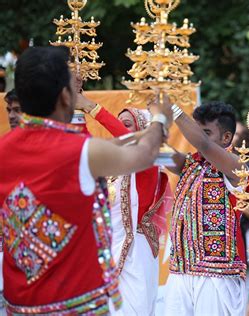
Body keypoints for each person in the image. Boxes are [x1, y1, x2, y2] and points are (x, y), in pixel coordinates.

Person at [0, 46, 171, 314]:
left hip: (19, 305)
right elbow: (146, 153)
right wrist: (161, 117)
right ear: (66, 97)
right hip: (76, 305)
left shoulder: (4, 150)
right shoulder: (81, 152)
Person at [77, 101, 172, 315]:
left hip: (135, 254)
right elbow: (82, 145)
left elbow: (135, 144)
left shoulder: (148, 164)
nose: (121, 132)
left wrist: (91, 107)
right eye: (121, 126)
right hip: (108, 249)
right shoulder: (113, 169)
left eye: (128, 125)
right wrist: (77, 111)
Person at [163, 101, 247, 315]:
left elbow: (205, 145)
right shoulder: (190, 163)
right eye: (197, 130)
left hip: (216, 274)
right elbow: (155, 150)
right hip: (180, 270)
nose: (196, 137)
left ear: (226, 138)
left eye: (206, 132)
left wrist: (171, 107)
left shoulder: (236, 166)